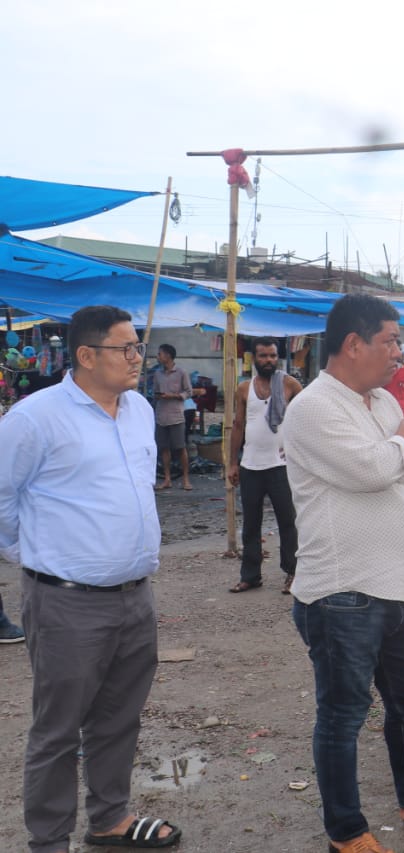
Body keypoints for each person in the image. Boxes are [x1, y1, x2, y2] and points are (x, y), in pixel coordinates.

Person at [284, 294, 404, 852]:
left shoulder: (381, 403)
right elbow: (372, 470)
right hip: (345, 592)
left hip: (402, 586)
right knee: (344, 716)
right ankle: (346, 832)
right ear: (353, 344)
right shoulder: (315, 406)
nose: (399, 352)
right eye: (391, 340)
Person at [0, 306, 181, 853]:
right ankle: (49, 841)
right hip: (67, 603)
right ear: (85, 356)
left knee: (119, 718)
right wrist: (35, 557)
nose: (136, 359)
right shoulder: (34, 418)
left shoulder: (140, 410)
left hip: (134, 596)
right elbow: (3, 498)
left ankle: (109, 820)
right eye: (124, 349)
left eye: (138, 348)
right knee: (58, 731)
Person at [227, 337, 303, 594]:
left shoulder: (290, 385)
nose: (269, 360)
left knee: (288, 522)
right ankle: (250, 575)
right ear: (254, 358)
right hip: (250, 465)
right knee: (250, 523)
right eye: (263, 356)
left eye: (272, 356)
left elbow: (306, 417)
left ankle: (293, 573)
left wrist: (298, 448)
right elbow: (238, 426)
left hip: (281, 465)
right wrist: (232, 463)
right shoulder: (243, 389)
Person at [152, 343, 192, 491]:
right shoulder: (157, 374)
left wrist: (174, 396)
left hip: (176, 415)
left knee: (180, 448)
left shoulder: (181, 372)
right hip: (161, 415)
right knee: (163, 448)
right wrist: (158, 397)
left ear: (168, 356)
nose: (158, 357)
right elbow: (155, 392)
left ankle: (186, 479)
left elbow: (188, 392)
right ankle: (167, 479)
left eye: (160, 354)